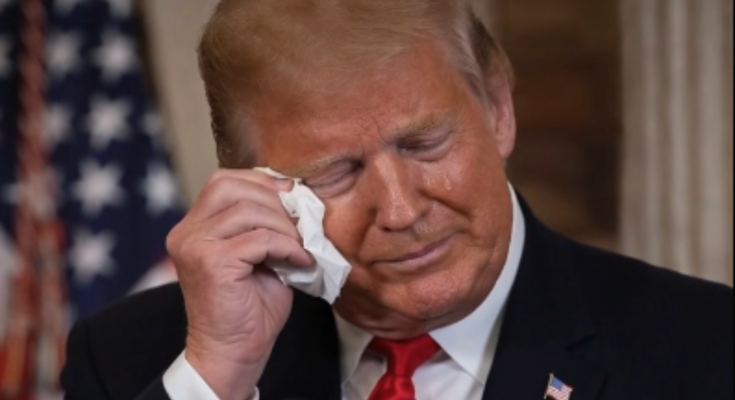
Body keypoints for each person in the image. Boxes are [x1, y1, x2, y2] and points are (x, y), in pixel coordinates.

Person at [60, 0, 733, 399]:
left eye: (424, 144)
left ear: (497, 108)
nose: (402, 211)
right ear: (254, 186)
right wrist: (219, 377)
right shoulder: (135, 358)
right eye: (336, 173)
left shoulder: (705, 350)